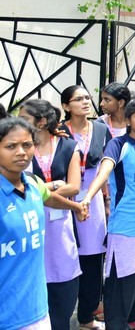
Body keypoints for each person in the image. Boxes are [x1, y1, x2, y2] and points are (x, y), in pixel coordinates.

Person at [79, 98, 135, 330]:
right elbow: (104, 170)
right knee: (123, 280)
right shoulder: (118, 145)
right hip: (126, 226)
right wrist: (88, 198)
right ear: (128, 120)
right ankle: (116, 325)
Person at [0, 117, 88, 330]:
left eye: (27, 145)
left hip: (37, 309)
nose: (21, 152)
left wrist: (75, 207)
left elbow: (49, 197)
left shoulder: (31, 183)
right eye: (11, 146)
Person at [19, 99, 83, 330]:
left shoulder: (67, 146)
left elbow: (74, 186)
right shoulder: (21, 148)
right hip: (30, 221)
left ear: (42, 121)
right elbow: (19, 188)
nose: (19, 123)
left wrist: (40, 188)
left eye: (25, 119)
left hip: (61, 222)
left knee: (62, 278)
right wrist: (57, 184)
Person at [60, 86, 114, 329]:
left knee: (93, 260)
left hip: (91, 202)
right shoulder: (59, 131)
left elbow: (106, 166)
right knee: (65, 257)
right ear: (65, 106)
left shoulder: (101, 129)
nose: (85, 102)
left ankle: (86, 317)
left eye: (87, 98)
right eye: (78, 99)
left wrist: (106, 199)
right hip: (61, 201)